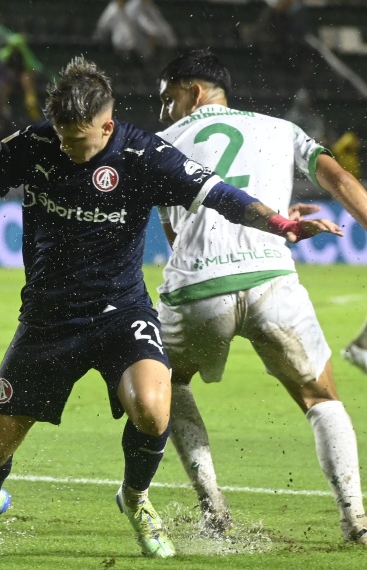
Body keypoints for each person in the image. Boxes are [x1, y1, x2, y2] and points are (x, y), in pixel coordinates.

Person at [0, 55, 343, 558]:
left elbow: (222, 196)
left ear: (108, 124)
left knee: (152, 404)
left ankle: (136, 498)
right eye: (61, 137)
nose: (68, 149)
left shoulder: (145, 154)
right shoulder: (31, 146)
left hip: (121, 312)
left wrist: (283, 226)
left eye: (78, 141)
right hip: (47, 321)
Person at [155, 49, 367, 544]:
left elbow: (176, 232)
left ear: (196, 91)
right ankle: (356, 519)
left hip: (197, 290)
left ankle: (214, 511)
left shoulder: (159, 144)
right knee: (321, 398)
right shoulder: (281, 128)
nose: (164, 111)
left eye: (169, 99)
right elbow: (339, 179)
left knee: (165, 384)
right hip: (272, 281)